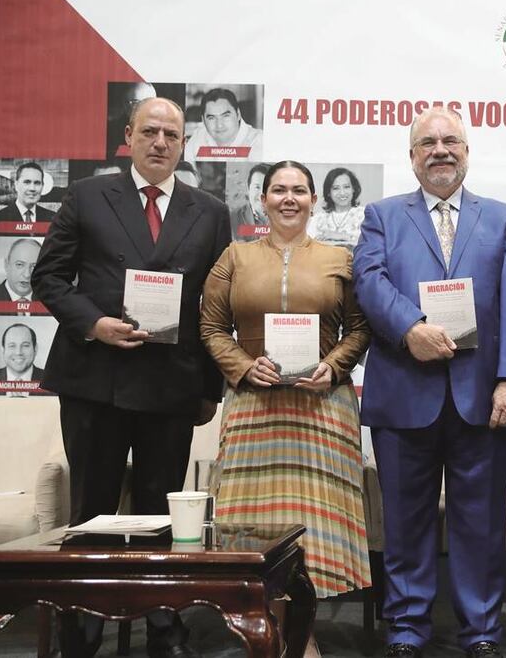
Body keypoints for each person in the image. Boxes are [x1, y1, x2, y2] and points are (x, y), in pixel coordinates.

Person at [32, 96, 231, 658]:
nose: (160, 142)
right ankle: (81, 625)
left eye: (172, 134)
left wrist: (209, 390)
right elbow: (49, 277)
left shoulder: (210, 211)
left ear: (185, 144)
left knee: (161, 511)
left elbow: (216, 305)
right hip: (95, 380)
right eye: (150, 132)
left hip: (172, 386)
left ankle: (163, 625)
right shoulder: (87, 195)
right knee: (91, 508)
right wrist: (93, 324)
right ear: (129, 136)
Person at [352, 106, 506, 658]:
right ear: (412, 156)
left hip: (483, 398)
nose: (440, 150)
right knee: (404, 521)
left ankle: (480, 630)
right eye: (428, 142)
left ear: (466, 151)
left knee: (480, 523)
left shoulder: (502, 218)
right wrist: (409, 327)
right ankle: (406, 628)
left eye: (450, 140)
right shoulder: (382, 216)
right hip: (403, 392)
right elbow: (368, 279)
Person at [200, 160, 370, 657]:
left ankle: (302, 634)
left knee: (313, 527)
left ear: (314, 200)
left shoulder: (340, 258)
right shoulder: (234, 257)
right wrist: (242, 365)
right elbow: (211, 327)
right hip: (254, 408)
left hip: (323, 409)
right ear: (263, 200)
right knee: (256, 526)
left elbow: (361, 328)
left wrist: (333, 366)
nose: (289, 199)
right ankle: (269, 630)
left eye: (299, 190)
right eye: (278, 190)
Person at [184, 87, 263, 162]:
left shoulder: (259, 140)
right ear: (203, 120)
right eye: (211, 118)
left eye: (225, 116)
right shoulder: (198, 138)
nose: (219, 125)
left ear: (238, 114)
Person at [308, 167, 366, 250]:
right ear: (328, 192)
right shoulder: (318, 218)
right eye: (336, 188)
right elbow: (307, 244)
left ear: (353, 189)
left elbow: (371, 242)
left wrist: (342, 236)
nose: (342, 193)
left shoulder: (364, 214)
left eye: (346, 187)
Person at [0, 162, 55, 232]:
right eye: (27, 182)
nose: (32, 188)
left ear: (42, 186)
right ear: (16, 185)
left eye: (37, 183)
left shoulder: (53, 219)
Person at [0, 323, 45, 395]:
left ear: (35, 349)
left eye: (25, 345)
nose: (18, 352)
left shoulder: (51, 381)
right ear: (3, 350)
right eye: (12, 346)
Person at [0, 239, 40, 309]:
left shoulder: (48, 303)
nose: (27, 275)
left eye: (34, 266)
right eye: (19, 265)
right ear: (7, 265)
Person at [231, 163, 270, 240]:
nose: (262, 194)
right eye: (257, 187)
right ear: (248, 189)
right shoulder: (232, 218)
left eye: (267, 188)